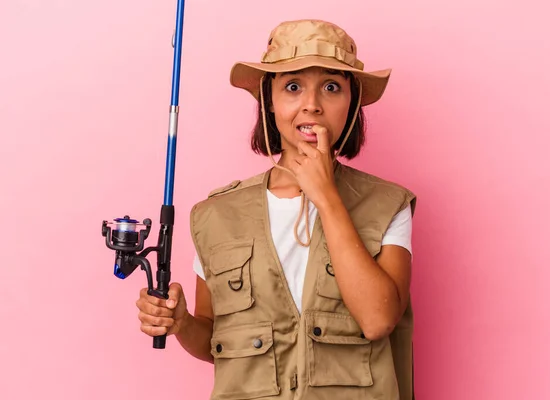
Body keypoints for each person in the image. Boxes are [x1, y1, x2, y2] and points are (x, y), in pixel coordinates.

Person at [135, 19, 417, 400]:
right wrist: (182, 322)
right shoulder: (217, 215)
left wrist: (327, 198)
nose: (312, 105)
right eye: (293, 86)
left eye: (331, 87)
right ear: (269, 98)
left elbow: (378, 319)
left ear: (352, 102)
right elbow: (217, 343)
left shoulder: (388, 205)